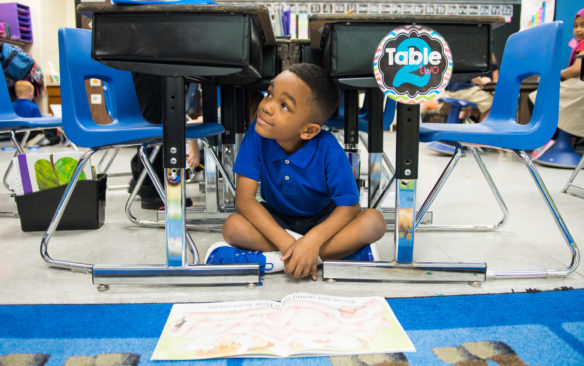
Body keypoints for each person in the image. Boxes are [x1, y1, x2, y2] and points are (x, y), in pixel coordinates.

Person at [205, 63, 387, 280]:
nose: (267, 106)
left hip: (323, 222)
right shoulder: (256, 134)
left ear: (309, 130)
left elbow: (348, 206)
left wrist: (312, 241)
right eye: (269, 94)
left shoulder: (328, 148)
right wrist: (288, 243)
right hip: (277, 220)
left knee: (374, 222)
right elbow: (245, 201)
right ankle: (323, 257)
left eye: (284, 106)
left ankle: (276, 261)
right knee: (233, 227)